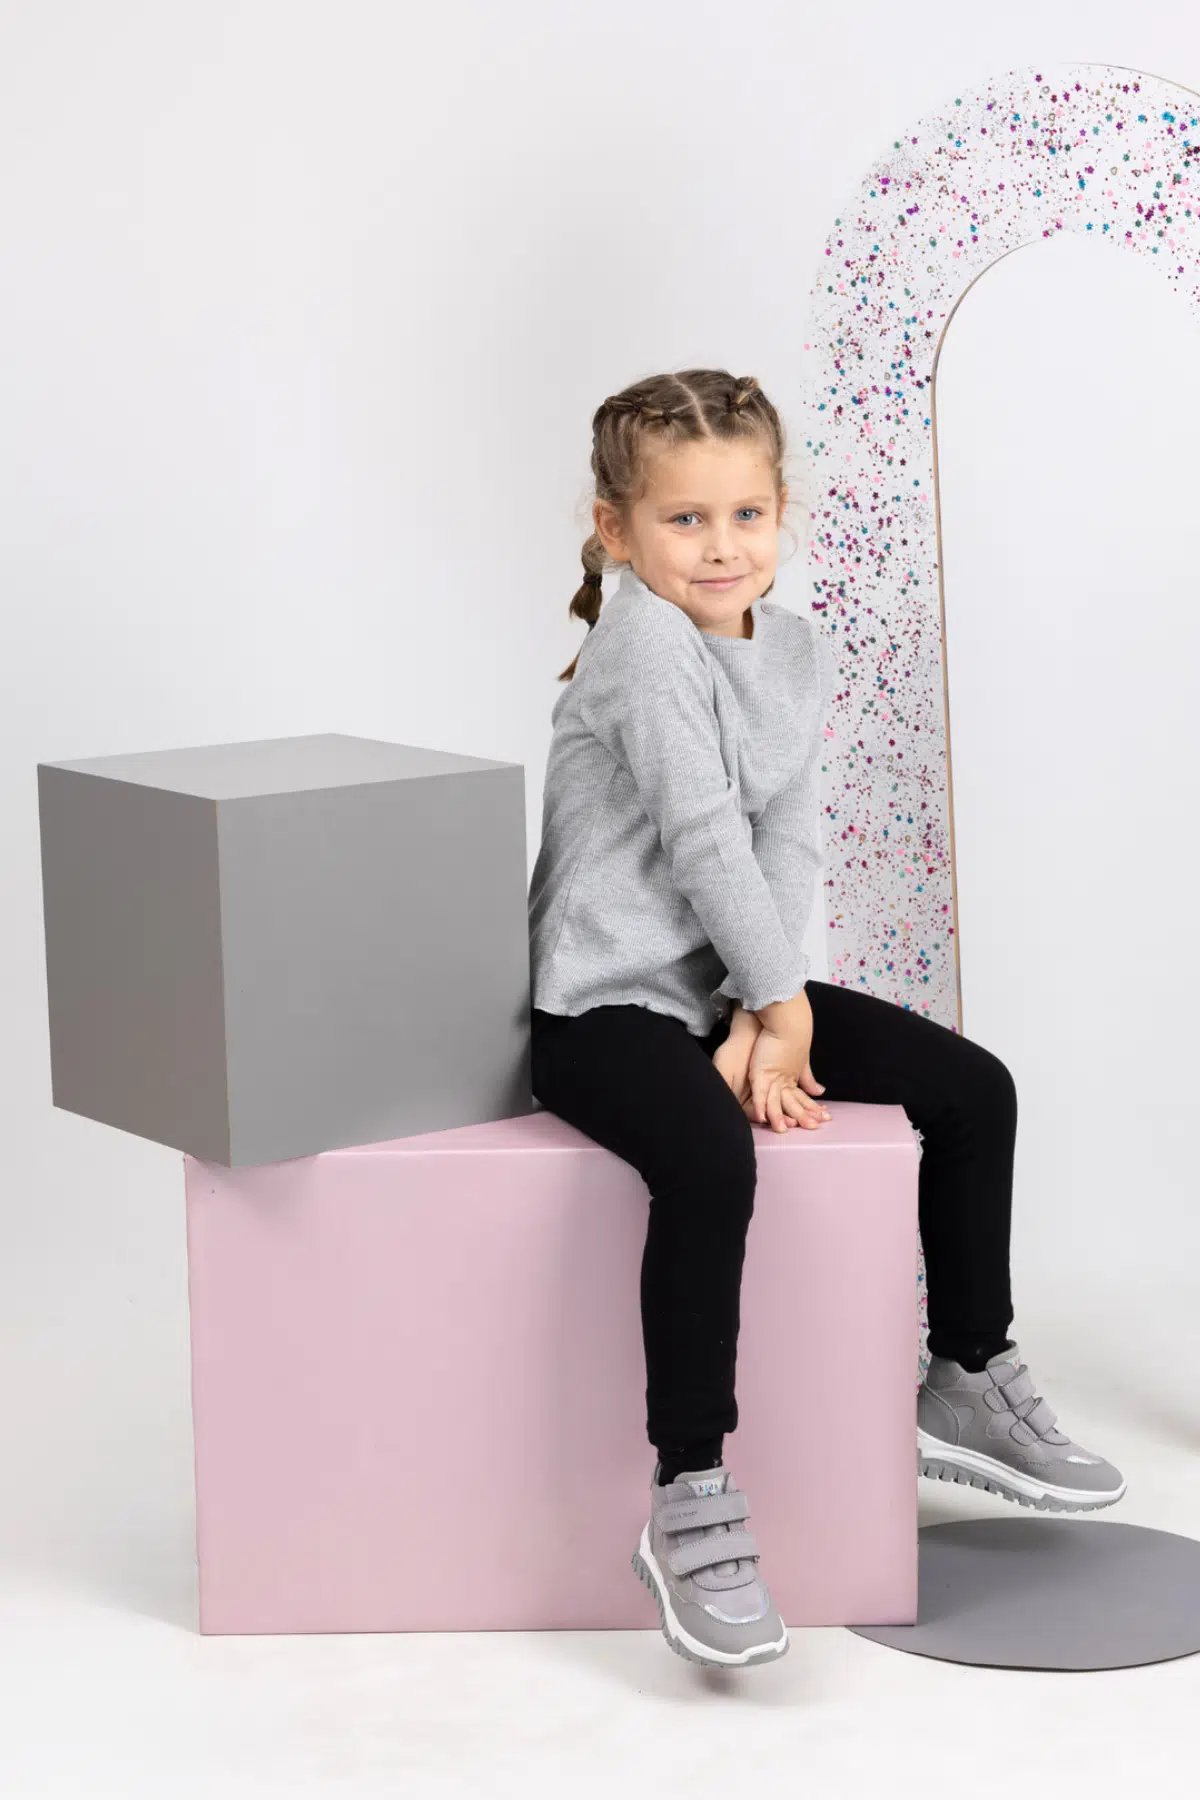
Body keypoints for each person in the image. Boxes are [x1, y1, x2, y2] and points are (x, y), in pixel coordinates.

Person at [526, 367, 1125, 1670]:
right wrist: (777, 1007)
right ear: (617, 529)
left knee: (974, 1089)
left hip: (727, 992)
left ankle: (967, 1372)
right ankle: (689, 1491)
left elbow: (787, 841)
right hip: (609, 1004)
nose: (722, 546)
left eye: (746, 514)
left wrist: (765, 1008)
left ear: (781, 512)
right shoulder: (641, 646)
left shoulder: (792, 649)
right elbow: (702, 838)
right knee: (707, 1161)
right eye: (685, 519)